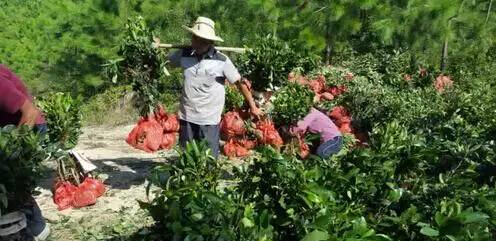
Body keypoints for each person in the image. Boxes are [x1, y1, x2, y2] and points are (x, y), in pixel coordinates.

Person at [160, 16, 262, 158]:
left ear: (210, 42)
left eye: (202, 39)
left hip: (209, 120)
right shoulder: (183, 55)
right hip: (187, 117)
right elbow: (162, 61)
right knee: (188, 159)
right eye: (195, 38)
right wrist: (157, 48)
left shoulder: (222, 60)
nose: (197, 42)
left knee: (208, 159)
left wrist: (253, 106)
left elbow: (239, 83)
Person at [0, 64, 50, 241]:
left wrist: (13, 151)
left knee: (14, 181)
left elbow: (29, 112)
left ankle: (35, 229)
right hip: (11, 129)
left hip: (31, 127)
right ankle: (34, 228)